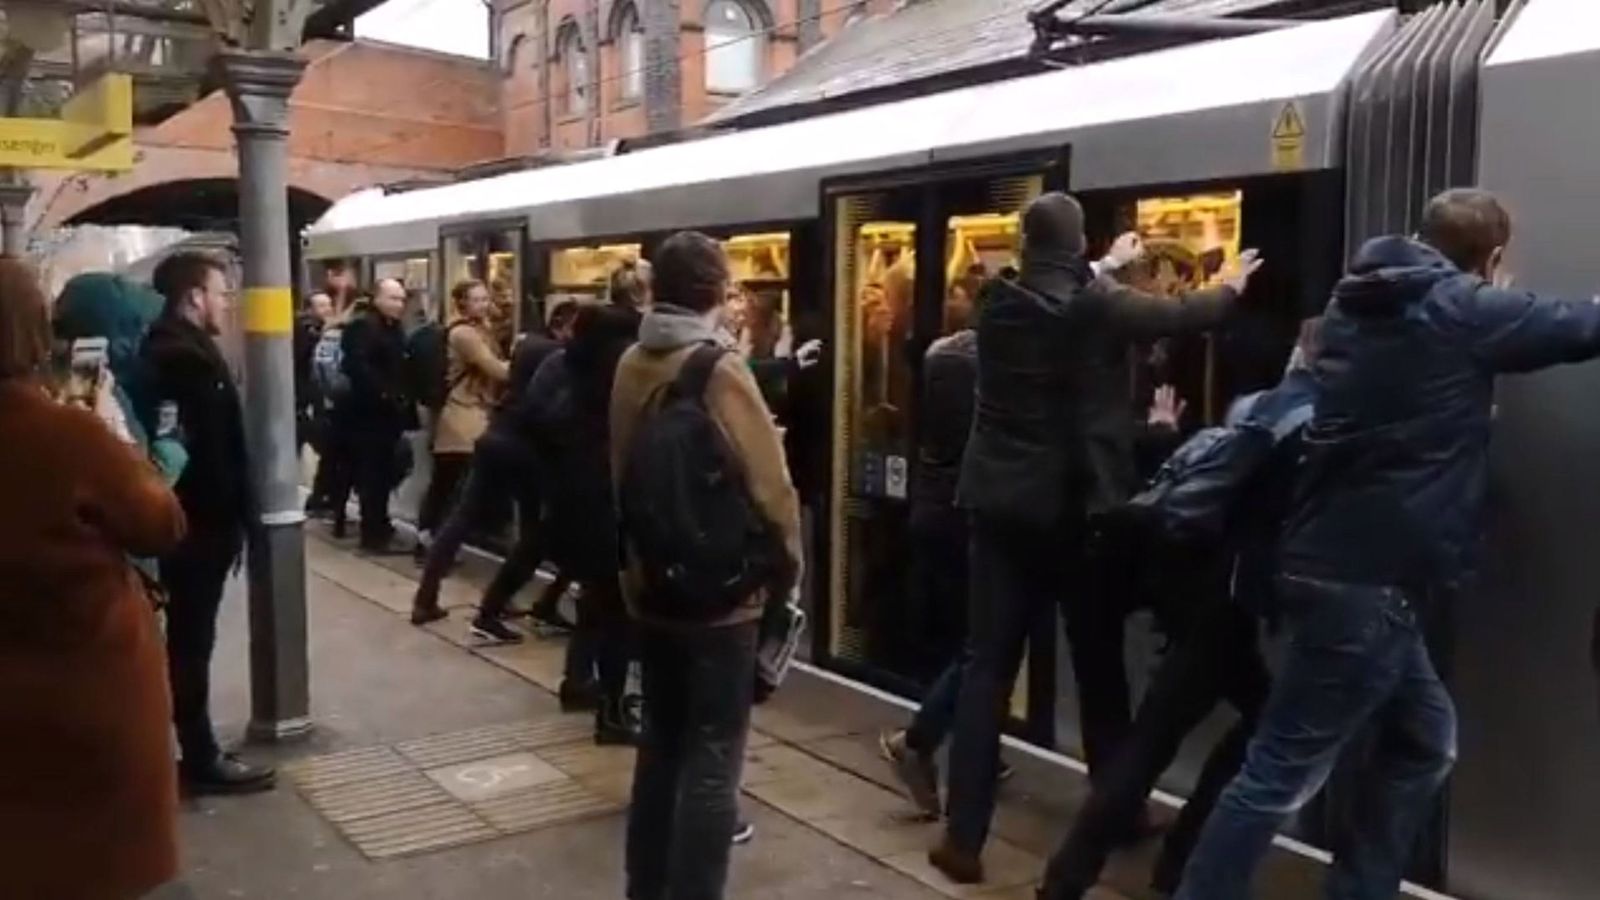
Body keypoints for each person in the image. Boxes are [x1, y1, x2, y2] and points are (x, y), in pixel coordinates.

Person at [1174, 188, 1600, 899]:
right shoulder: (1459, 310)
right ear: (1491, 258)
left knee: (1423, 744)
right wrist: (1488, 302)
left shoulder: (1356, 305)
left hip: (1337, 568)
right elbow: (1579, 324)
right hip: (1370, 583)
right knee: (1279, 773)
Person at [931, 192, 1262, 884]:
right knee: (1098, 663)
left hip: (996, 510)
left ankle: (962, 838)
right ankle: (1122, 804)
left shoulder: (997, 304)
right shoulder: (1096, 307)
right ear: (1079, 246)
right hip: (1075, 515)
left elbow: (1075, 287)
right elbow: (1178, 314)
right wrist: (1229, 284)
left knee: (987, 669)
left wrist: (1105, 265)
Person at [1039, 322, 1319, 900]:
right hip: (1225, 603)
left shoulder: (1255, 407)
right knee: (1161, 742)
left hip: (1203, 596)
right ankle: (1106, 873)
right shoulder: (1308, 423)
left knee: (1219, 727)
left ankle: (1120, 869)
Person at [611, 231, 804, 900]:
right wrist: (788, 572)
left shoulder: (632, 360)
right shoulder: (720, 369)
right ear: (717, 294)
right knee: (715, 758)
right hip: (723, 603)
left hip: (650, 586)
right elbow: (772, 489)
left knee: (660, 744)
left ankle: (646, 888)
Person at [0, 257, 188, 900]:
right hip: (87, 694)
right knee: (98, 870)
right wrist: (115, 434)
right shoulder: (66, 432)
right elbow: (160, 524)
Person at [141, 250, 277, 794]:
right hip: (198, 526)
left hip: (199, 523)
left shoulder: (180, 349)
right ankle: (198, 756)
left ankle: (194, 748)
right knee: (191, 642)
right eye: (220, 293)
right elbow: (200, 447)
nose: (226, 303)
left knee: (190, 640)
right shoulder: (182, 357)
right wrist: (227, 517)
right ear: (194, 298)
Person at [409, 296, 578, 641]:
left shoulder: (529, 345)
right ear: (564, 327)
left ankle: (427, 598)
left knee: (463, 518)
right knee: (539, 531)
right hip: (524, 448)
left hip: (497, 436)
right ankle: (498, 609)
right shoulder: (557, 357)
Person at [529, 297, 645, 742]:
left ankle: (578, 682)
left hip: (568, 506)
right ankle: (613, 713)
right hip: (604, 508)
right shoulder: (615, 382)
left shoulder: (564, 371)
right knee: (616, 612)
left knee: (596, 601)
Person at [414, 280, 510, 561]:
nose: (483, 305)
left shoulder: (482, 329)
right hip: (460, 416)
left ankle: (436, 539)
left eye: (484, 299)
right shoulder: (465, 334)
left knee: (451, 483)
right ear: (462, 304)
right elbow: (497, 370)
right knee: (451, 485)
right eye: (476, 300)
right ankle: (431, 540)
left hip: (472, 412)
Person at [338, 277, 413, 554]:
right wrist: (384, 394)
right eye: (393, 298)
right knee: (373, 473)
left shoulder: (394, 329)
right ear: (377, 299)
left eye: (402, 299)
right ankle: (373, 534)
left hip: (387, 415)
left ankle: (380, 524)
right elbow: (357, 366)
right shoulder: (363, 327)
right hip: (367, 415)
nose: (399, 305)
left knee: (386, 470)